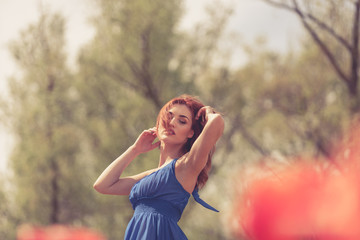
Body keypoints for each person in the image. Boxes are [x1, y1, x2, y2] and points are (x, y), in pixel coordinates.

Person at [93, 94, 225, 239]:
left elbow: (217, 123)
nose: (172, 122)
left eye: (182, 121)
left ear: (191, 133)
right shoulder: (149, 177)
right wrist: (135, 149)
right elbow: (102, 185)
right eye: (169, 116)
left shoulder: (186, 166)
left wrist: (209, 113)